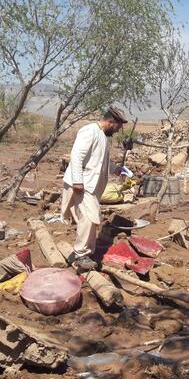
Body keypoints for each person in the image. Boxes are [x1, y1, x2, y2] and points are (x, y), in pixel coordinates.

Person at [61, 106, 128, 270]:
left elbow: (99, 161)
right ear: (111, 122)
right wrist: (78, 181)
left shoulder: (102, 136)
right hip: (83, 184)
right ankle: (81, 254)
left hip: (89, 185)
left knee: (89, 218)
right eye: (117, 127)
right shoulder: (90, 131)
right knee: (89, 218)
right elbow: (77, 156)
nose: (117, 131)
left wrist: (115, 169)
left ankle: (84, 253)